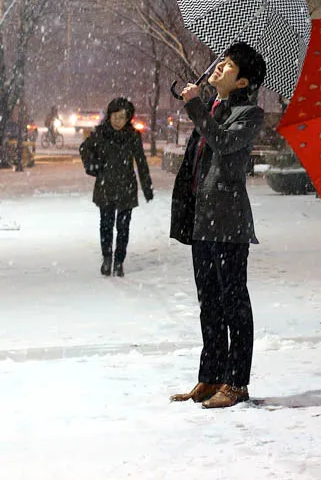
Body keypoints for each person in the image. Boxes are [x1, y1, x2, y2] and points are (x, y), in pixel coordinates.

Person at [169, 42, 266, 410]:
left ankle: (237, 382)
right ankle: (210, 376)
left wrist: (195, 106)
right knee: (208, 301)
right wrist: (199, 106)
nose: (219, 68)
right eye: (221, 62)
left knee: (233, 302)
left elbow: (224, 143)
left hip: (228, 222)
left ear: (242, 82)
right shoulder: (213, 107)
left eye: (228, 67)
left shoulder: (250, 114)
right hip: (202, 220)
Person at [79, 97, 153, 277]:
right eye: (115, 117)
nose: (118, 121)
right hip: (105, 186)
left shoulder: (133, 136)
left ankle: (119, 261)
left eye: (122, 117)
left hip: (127, 186)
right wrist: (93, 166)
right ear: (109, 116)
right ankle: (106, 259)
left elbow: (141, 162)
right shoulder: (100, 134)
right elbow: (84, 149)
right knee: (106, 225)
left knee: (123, 227)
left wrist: (147, 187)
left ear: (128, 118)